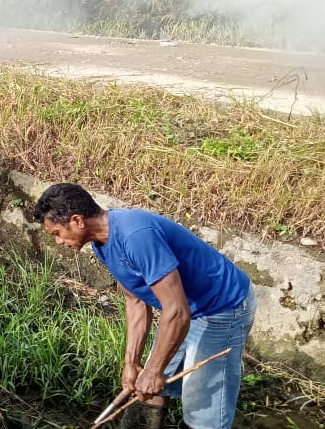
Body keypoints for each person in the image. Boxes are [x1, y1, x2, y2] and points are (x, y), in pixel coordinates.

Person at [32, 183, 256, 429]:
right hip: (185, 310)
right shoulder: (101, 242)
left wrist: (154, 370)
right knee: (147, 387)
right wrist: (132, 363)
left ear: (77, 220)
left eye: (56, 233)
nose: (58, 241)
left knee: (202, 411)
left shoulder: (135, 236)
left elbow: (177, 311)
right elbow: (136, 301)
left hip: (221, 307)